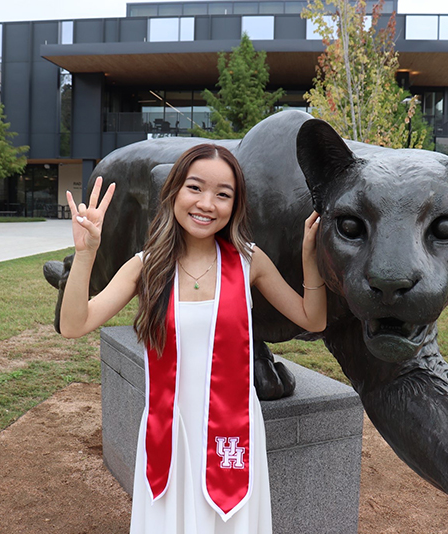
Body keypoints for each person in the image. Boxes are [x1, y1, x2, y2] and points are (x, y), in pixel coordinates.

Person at [59, 144, 326, 534]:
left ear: (235, 205)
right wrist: (85, 254)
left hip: (233, 435)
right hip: (172, 434)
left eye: (223, 194)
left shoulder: (249, 262)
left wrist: (309, 255)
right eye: (195, 188)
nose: (206, 204)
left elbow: (312, 318)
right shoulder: (145, 267)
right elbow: (74, 325)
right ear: (174, 192)